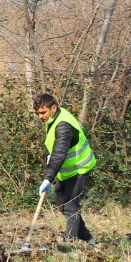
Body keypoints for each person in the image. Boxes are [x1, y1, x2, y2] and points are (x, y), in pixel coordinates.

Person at [34, 93, 96, 243]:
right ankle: (87, 238)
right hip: (67, 170)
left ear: (53, 108)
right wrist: (49, 156)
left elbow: (59, 154)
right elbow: (54, 146)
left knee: (70, 205)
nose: (40, 116)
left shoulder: (64, 126)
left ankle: (71, 242)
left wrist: (48, 179)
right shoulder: (53, 119)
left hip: (80, 167)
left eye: (43, 112)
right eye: (38, 113)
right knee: (62, 203)